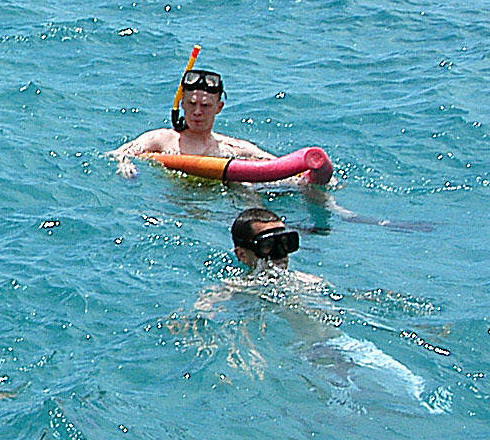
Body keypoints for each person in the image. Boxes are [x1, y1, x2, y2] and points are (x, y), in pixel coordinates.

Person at [110, 63, 326, 190]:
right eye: (192, 104)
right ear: (182, 104)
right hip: (173, 207)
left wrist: (316, 176)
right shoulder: (160, 140)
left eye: (205, 106)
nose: (197, 112)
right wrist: (125, 164)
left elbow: (277, 167)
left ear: (219, 107)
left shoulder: (232, 148)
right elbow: (117, 153)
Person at [230, 206, 327, 287]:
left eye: (284, 242)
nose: (280, 253)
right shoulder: (230, 292)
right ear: (242, 255)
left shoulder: (312, 284)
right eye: (268, 245)